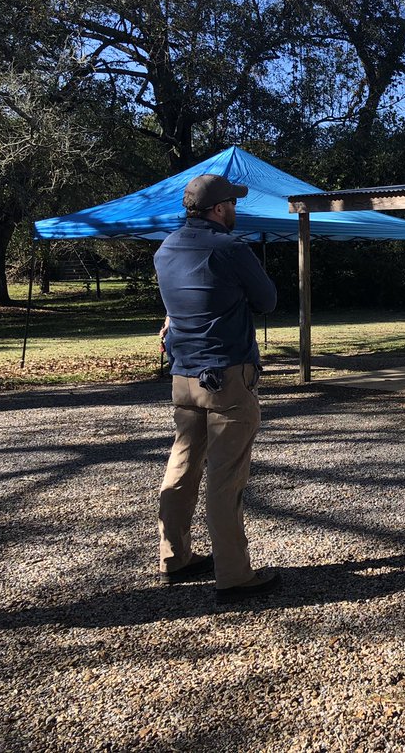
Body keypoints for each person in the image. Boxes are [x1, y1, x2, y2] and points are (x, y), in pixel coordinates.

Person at [153, 173, 280, 603]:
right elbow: (267, 300)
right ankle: (234, 574)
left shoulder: (165, 249)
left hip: (184, 375)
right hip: (228, 375)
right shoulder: (230, 248)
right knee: (226, 478)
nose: (236, 211)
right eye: (233, 204)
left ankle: (175, 557)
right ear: (220, 208)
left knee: (182, 466)